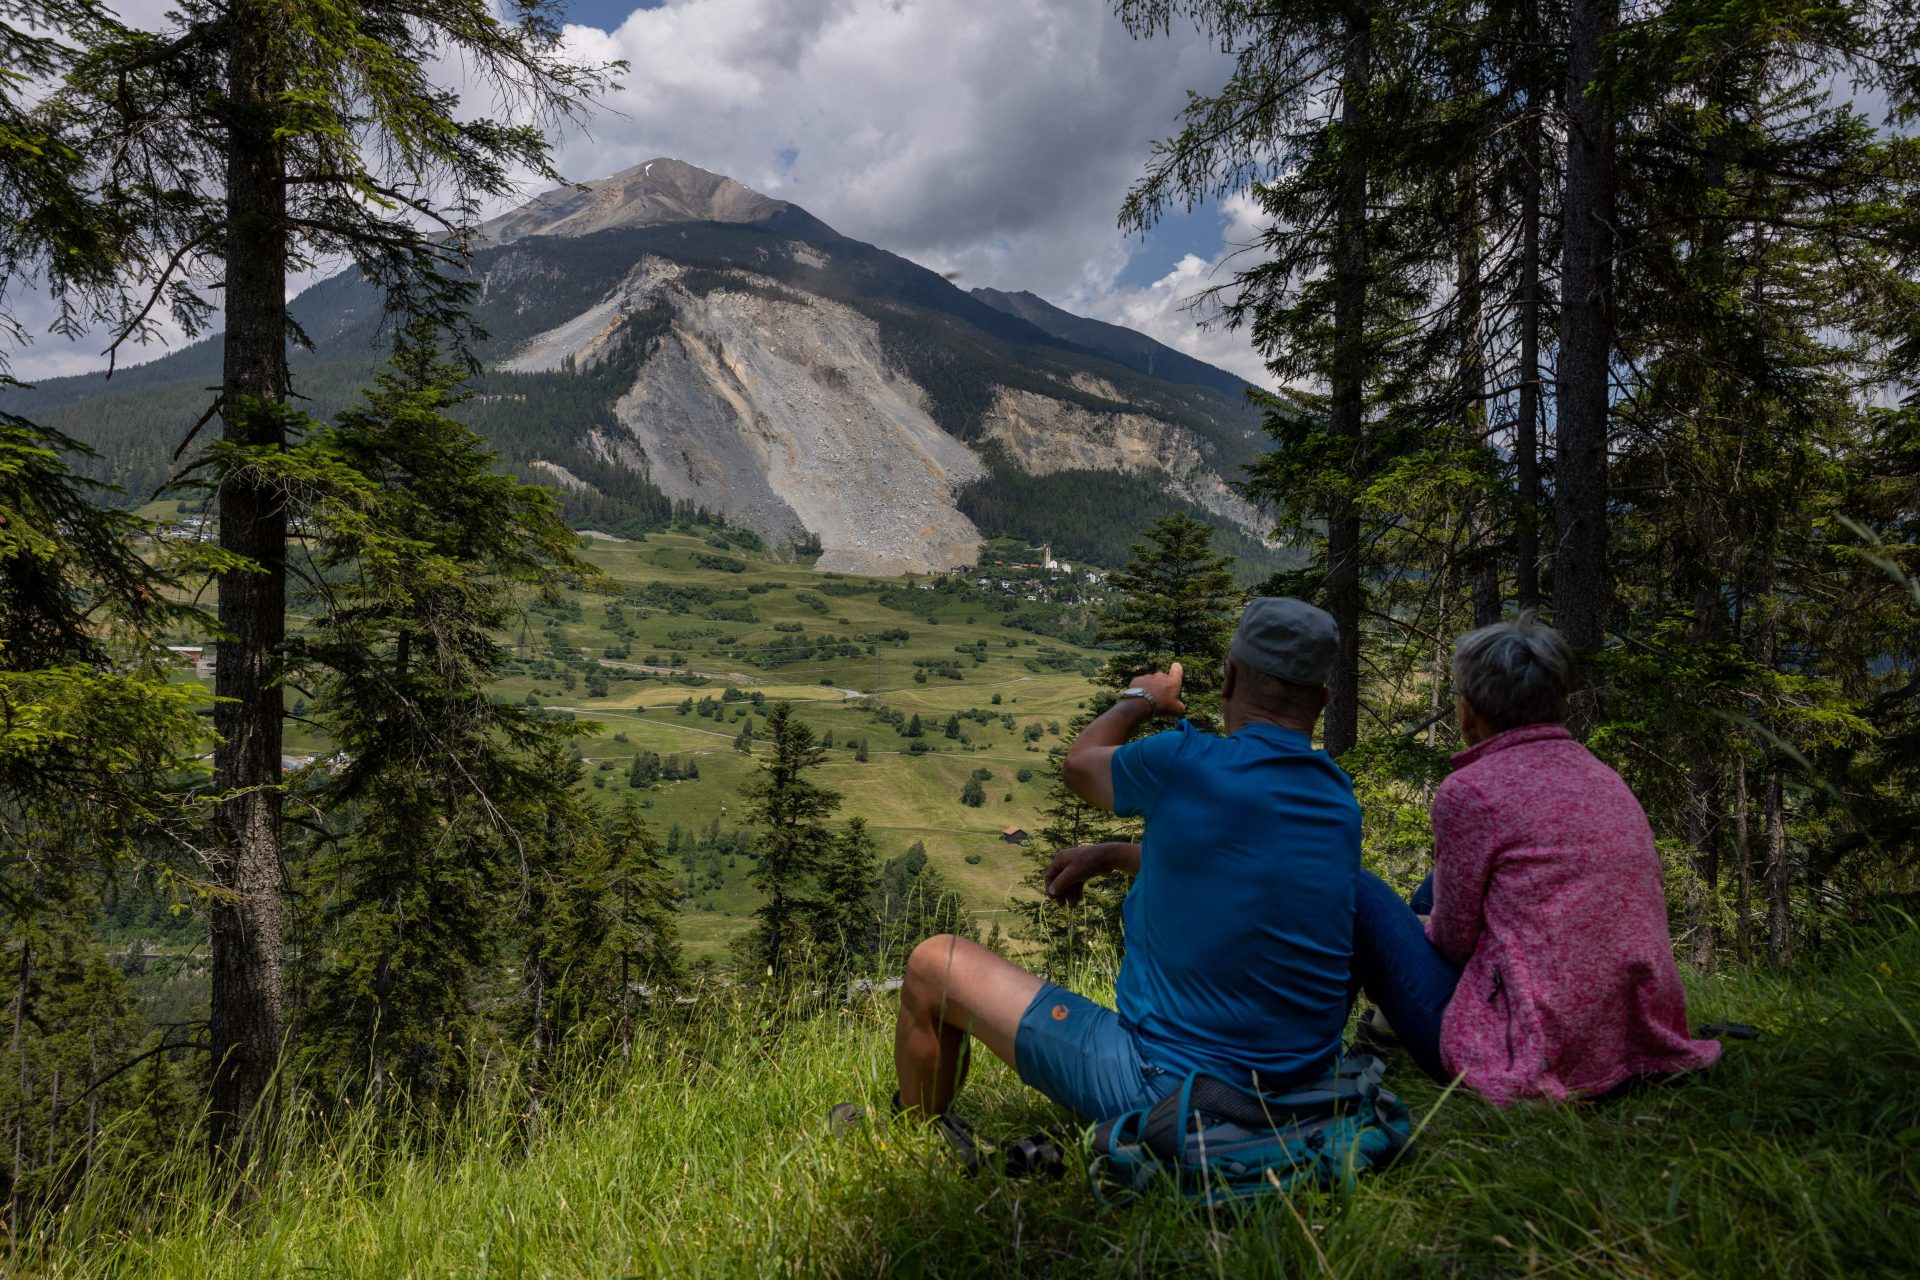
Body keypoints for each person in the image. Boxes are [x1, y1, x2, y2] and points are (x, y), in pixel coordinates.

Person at [871, 598, 1361, 1134]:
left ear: (1229, 679)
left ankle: (910, 1130)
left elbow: (1079, 766)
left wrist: (1140, 699)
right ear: (1322, 702)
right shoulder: (1337, 799)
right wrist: (1111, 856)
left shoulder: (1184, 762)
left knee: (932, 965)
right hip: (1299, 1095)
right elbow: (1238, 871)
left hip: (1169, 1088)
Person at [1350, 613, 1721, 1104]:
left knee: (1351, 888)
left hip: (1530, 1048)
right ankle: (1379, 1032)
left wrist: (1419, 926)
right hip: (1625, 1040)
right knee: (1441, 879)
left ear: (1468, 713)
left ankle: (1318, 1059)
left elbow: (1454, 944)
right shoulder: (1603, 776)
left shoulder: (1471, 792)